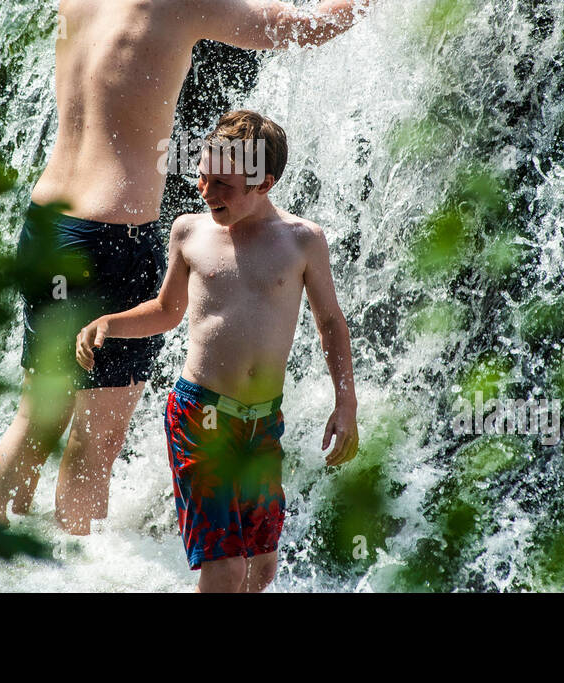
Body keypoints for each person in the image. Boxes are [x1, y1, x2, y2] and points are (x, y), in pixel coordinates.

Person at [0, 0, 378, 535]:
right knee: (95, 443)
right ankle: (69, 577)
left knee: (36, 414)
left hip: (46, 226)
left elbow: (149, 10)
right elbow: (300, 28)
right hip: (112, 242)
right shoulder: (187, 3)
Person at [76, 111, 358, 591]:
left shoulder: (301, 241)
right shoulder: (190, 232)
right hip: (199, 417)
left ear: (263, 183)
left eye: (223, 184)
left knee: (262, 566)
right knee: (225, 566)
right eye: (203, 175)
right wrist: (109, 323)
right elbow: (167, 310)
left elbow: (330, 322)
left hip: (262, 422)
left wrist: (346, 402)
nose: (206, 190)